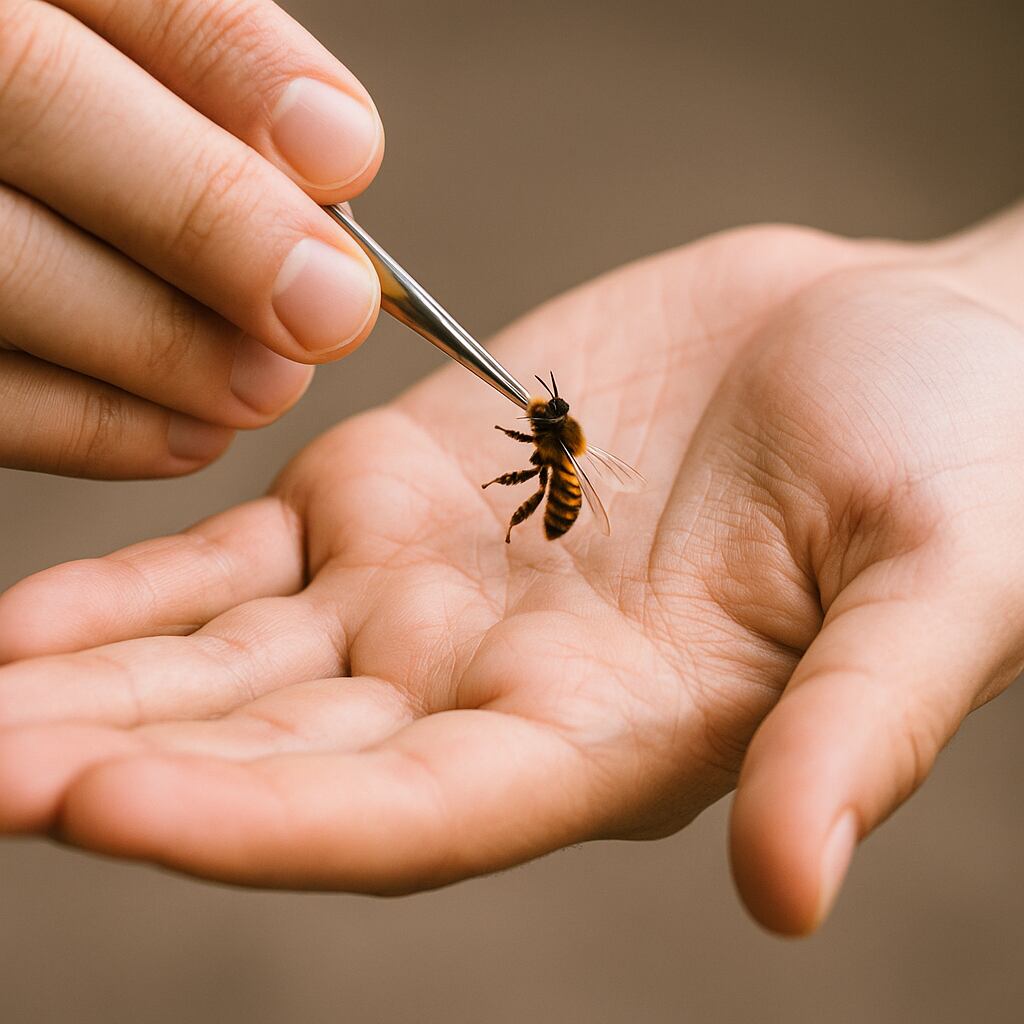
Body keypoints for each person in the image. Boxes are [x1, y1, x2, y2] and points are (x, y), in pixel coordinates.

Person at [0, 0, 1021, 937]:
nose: (545, 429)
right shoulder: (557, 443)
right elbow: (553, 459)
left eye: (549, 429)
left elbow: (550, 468)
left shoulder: (554, 455)